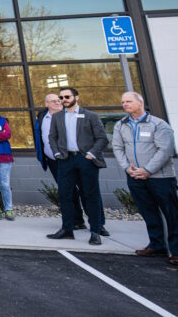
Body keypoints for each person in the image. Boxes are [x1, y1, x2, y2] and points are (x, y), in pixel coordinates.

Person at [111, 92, 177, 266]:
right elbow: (117, 148)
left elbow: (165, 150)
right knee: (148, 212)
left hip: (160, 177)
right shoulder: (120, 125)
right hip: (135, 176)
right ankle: (157, 245)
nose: (125, 104)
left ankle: (176, 250)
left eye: (129, 101)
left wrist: (147, 170)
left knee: (172, 213)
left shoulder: (158, 125)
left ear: (140, 102)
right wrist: (127, 167)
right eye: (123, 102)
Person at [47, 87, 108, 244]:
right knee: (65, 194)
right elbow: (52, 137)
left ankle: (95, 231)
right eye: (61, 97)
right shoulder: (57, 117)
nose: (64, 99)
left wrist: (91, 154)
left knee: (90, 194)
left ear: (76, 97)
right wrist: (57, 153)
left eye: (67, 96)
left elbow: (102, 138)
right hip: (66, 159)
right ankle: (67, 228)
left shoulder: (90, 116)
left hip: (85, 159)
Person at [33, 93, 88, 229]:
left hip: (72, 159)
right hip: (53, 160)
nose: (58, 103)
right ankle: (76, 221)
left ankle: (97, 224)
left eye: (59, 100)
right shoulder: (41, 117)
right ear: (46, 104)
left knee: (85, 189)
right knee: (67, 192)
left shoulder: (69, 115)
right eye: (53, 101)